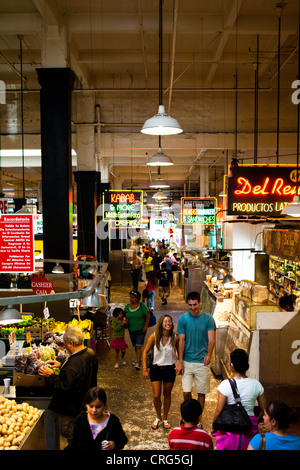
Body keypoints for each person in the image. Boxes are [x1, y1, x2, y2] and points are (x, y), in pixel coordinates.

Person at [38, 326, 98, 447]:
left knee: (74, 439)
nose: (64, 347)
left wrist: (50, 375)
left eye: (65, 344)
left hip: (72, 412)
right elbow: (80, 373)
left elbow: (63, 388)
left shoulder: (73, 364)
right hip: (85, 405)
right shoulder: (90, 353)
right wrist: (62, 366)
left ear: (71, 343)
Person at [212, 348, 266, 450]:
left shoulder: (225, 385)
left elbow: (219, 411)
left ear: (232, 365)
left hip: (229, 425)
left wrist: (214, 425)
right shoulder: (256, 384)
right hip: (250, 424)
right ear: (247, 365)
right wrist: (256, 420)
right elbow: (264, 410)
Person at [176, 291, 216, 410]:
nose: (193, 308)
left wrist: (209, 354)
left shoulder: (208, 319)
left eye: (195, 304)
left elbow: (211, 340)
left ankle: (198, 419)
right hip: (187, 361)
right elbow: (181, 341)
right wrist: (180, 361)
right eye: (190, 305)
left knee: (201, 392)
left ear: (200, 303)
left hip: (202, 362)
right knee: (186, 392)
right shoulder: (183, 319)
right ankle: (189, 415)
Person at [142, 314, 179, 430]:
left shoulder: (175, 337)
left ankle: (165, 418)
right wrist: (144, 369)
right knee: (156, 395)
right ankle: (158, 417)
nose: (168, 323)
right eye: (165, 321)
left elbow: (180, 352)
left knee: (167, 395)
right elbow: (145, 352)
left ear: (172, 324)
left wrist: (181, 364)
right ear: (161, 324)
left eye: (170, 321)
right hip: (156, 369)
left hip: (169, 369)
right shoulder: (154, 337)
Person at [66, 387, 128, 452]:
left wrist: (114, 444)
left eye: (98, 407)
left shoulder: (113, 421)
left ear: (104, 405)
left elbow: (123, 440)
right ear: (86, 405)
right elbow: (75, 443)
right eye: (91, 406)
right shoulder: (81, 419)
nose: (94, 410)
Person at [123, 290, 150, 370]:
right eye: (130, 297)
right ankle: (138, 359)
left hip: (140, 329)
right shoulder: (127, 307)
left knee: (138, 346)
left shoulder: (142, 306)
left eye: (133, 297)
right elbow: (124, 316)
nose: (131, 299)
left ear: (137, 298)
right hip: (131, 330)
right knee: (135, 346)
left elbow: (148, 316)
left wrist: (145, 326)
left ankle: (138, 363)